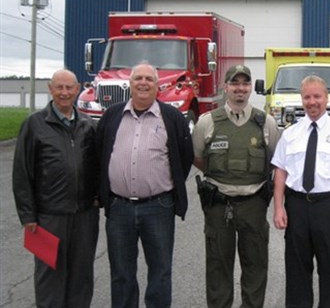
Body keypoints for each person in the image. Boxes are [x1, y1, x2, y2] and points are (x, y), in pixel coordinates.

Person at [96, 63, 193, 308]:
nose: (143, 82)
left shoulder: (171, 118)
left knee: (160, 272)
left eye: (149, 79)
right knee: (121, 273)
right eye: (138, 78)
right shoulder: (112, 116)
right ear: (130, 83)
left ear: (158, 85)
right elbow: (100, 153)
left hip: (158, 207)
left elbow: (185, 156)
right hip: (119, 208)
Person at [192, 65, 280, 308]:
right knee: (218, 268)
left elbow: (274, 160)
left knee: (255, 266)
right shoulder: (207, 122)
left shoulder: (266, 123)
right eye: (235, 83)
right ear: (226, 87)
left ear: (250, 87)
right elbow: (198, 158)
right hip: (219, 205)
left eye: (245, 83)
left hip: (254, 203)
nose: (240, 88)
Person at [271, 75, 330, 308]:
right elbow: (280, 171)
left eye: (317, 96)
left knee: (329, 269)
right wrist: (279, 207)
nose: (312, 102)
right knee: (297, 271)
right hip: (297, 206)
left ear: (326, 97)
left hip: (328, 207)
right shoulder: (290, 133)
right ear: (302, 99)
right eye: (307, 97)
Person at [12, 69, 100, 307]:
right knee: (49, 277)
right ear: (50, 89)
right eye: (59, 87)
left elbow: (98, 166)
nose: (64, 93)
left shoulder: (88, 125)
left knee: (81, 275)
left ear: (78, 89)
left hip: (84, 216)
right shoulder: (34, 125)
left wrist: (98, 198)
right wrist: (28, 215)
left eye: (69, 88)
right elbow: (22, 172)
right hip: (48, 217)